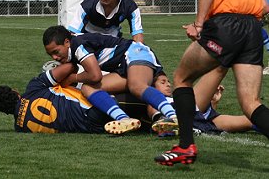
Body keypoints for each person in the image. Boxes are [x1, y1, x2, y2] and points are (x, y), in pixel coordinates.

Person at [154, 0, 269, 166]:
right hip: (253, 29)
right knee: (251, 103)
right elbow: (264, 6)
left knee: (181, 78)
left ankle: (186, 147)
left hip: (226, 25)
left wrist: (199, 25)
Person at [42, 25, 177, 134]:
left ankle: (173, 116)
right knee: (87, 88)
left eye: (56, 52)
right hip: (123, 66)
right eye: (50, 54)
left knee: (137, 86)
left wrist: (73, 78)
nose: (54, 57)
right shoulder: (72, 48)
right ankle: (124, 119)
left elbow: (95, 75)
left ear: (66, 42)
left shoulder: (77, 44)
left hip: (135, 52)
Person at [0, 62, 151, 133]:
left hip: (92, 128)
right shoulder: (33, 89)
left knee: (144, 124)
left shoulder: (20, 128)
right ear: (15, 92)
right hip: (93, 108)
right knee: (142, 94)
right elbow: (69, 67)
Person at [150, 70, 257, 137]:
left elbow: (202, 118)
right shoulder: (154, 101)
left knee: (250, 120)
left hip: (204, 119)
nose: (168, 85)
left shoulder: (173, 98)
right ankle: (226, 50)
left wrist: (213, 102)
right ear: (152, 88)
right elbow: (154, 115)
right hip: (185, 114)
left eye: (168, 82)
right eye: (162, 82)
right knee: (217, 69)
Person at [68, 0, 144, 43]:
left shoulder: (130, 6)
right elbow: (73, 33)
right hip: (88, 39)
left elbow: (138, 36)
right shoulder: (88, 4)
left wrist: (138, 53)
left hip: (113, 41)